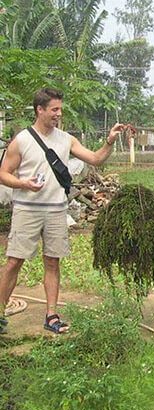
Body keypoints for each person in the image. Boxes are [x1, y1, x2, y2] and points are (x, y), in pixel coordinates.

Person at [0, 87, 127, 335]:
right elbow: (3, 174)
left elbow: (95, 158)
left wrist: (110, 140)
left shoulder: (66, 139)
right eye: (54, 109)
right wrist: (23, 183)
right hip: (27, 209)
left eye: (60, 109)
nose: (59, 114)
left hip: (56, 210)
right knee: (15, 261)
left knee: (52, 261)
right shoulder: (23, 140)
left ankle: (52, 315)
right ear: (40, 109)